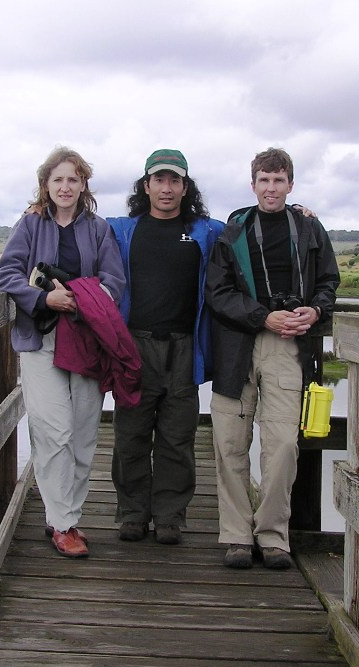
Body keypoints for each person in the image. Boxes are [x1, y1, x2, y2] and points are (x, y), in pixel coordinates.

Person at [205, 147, 340, 569]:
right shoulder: (233, 233)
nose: (270, 187)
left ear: (291, 185)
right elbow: (218, 293)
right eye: (264, 180)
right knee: (230, 444)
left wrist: (315, 310)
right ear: (253, 185)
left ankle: (272, 534)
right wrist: (265, 315)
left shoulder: (311, 229)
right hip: (236, 345)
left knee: (283, 445)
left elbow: (329, 281)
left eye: (278, 180)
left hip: (286, 349)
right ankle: (237, 535)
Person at [0, 146, 129, 559]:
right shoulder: (30, 225)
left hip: (87, 340)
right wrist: (42, 299)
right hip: (41, 339)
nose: (66, 186)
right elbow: (6, 275)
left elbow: (114, 280)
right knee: (54, 431)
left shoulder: (99, 229)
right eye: (58, 180)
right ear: (46, 186)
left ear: (84, 184)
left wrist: (84, 298)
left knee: (85, 433)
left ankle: (66, 514)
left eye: (73, 179)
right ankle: (64, 524)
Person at [107, 149, 224, 545]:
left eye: (175, 181)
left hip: (183, 349)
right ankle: (133, 513)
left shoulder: (207, 231)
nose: (167, 188)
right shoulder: (123, 230)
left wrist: (296, 213)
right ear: (146, 186)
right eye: (159, 180)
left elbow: (252, 224)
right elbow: (71, 225)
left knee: (178, 437)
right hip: (134, 346)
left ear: (185, 187)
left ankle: (170, 516)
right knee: (130, 435)